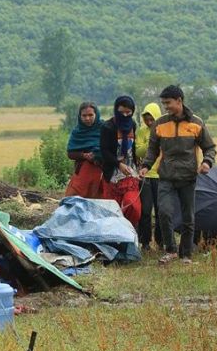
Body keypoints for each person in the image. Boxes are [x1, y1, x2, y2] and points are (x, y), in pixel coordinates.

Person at [139, 85, 216, 265]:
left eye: (168, 103)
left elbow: (210, 147)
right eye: (164, 103)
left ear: (179, 101)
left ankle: (186, 254)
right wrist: (145, 166)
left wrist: (207, 162)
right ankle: (171, 250)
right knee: (164, 213)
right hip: (165, 175)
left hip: (188, 176)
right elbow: (152, 150)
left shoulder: (196, 123)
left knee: (188, 217)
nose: (166, 107)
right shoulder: (160, 124)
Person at [100, 95, 142, 230]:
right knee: (112, 212)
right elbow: (105, 151)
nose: (125, 115)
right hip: (112, 174)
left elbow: (133, 147)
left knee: (133, 206)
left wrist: (138, 163)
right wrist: (118, 164)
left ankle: (129, 231)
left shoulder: (133, 125)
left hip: (130, 173)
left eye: (128, 112)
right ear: (116, 110)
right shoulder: (108, 127)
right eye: (122, 112)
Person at [135, 102, 163, 251]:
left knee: (161, 211)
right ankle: (145, 242)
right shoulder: (141, 131)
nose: (149, 122)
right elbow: (139, 152)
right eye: (146, 119)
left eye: (152, 119)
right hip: (145, 176)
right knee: (145, 211)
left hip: (160, 176)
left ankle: (161, 241)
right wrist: (151, 140)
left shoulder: (165, 130)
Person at [64, 101, 104, 199]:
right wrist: (84, 155)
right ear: (80, 116)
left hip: (103, 170)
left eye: (90, 115)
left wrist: (97, 155)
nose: (87, 118)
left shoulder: (105, 128)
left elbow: (112, 149)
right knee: (73, 198)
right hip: (83, 171)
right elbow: (70, 153)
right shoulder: (77, 132)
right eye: (84, 115)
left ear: (96, 114)